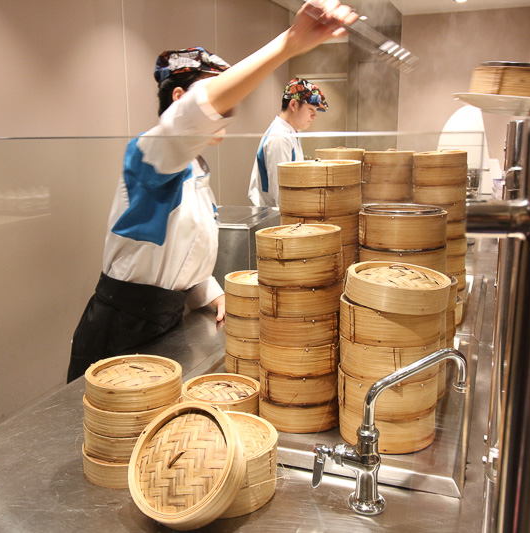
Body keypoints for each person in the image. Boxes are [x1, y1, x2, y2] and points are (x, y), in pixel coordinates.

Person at [66, 0, 358, 382]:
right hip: (119, 333)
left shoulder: (195, 168)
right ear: (178, 99)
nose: (228, 107)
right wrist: (289, 44)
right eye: (218, 91)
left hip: (164, 324)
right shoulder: (151, 154)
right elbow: (194, 114)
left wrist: (211, 293)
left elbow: (179, 256)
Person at [247, 78, 328, 207]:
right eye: (311, 109)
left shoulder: (290, 133)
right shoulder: (280, 137)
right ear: (293, 105)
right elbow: (280, 194)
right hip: (274, 214)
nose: (314, 116)